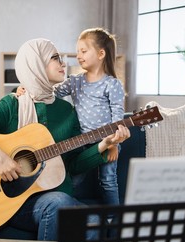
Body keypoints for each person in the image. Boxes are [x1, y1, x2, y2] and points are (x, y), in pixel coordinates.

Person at [0, 38, 130, 241]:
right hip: (12, 202)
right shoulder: (13, 105)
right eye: (55, 58)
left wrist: (104, 144)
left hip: (54, 196)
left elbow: (73, 164)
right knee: (59, 203)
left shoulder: (67, 111)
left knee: (94, 221)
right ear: (36, 64)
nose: (63, 63)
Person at [18, 28, 125, 206]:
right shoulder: (75, 81)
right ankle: (67, 207)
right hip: (81, 142)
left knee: (108, 181)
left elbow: (118, 117)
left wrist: (114, 144)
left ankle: (112, 217)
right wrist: (27, 89)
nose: (78, 56)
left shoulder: (112, 84)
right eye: (77, 52)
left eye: (83, 51)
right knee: (72, 179)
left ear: (100, 54)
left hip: (108, 140)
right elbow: (50, 92)